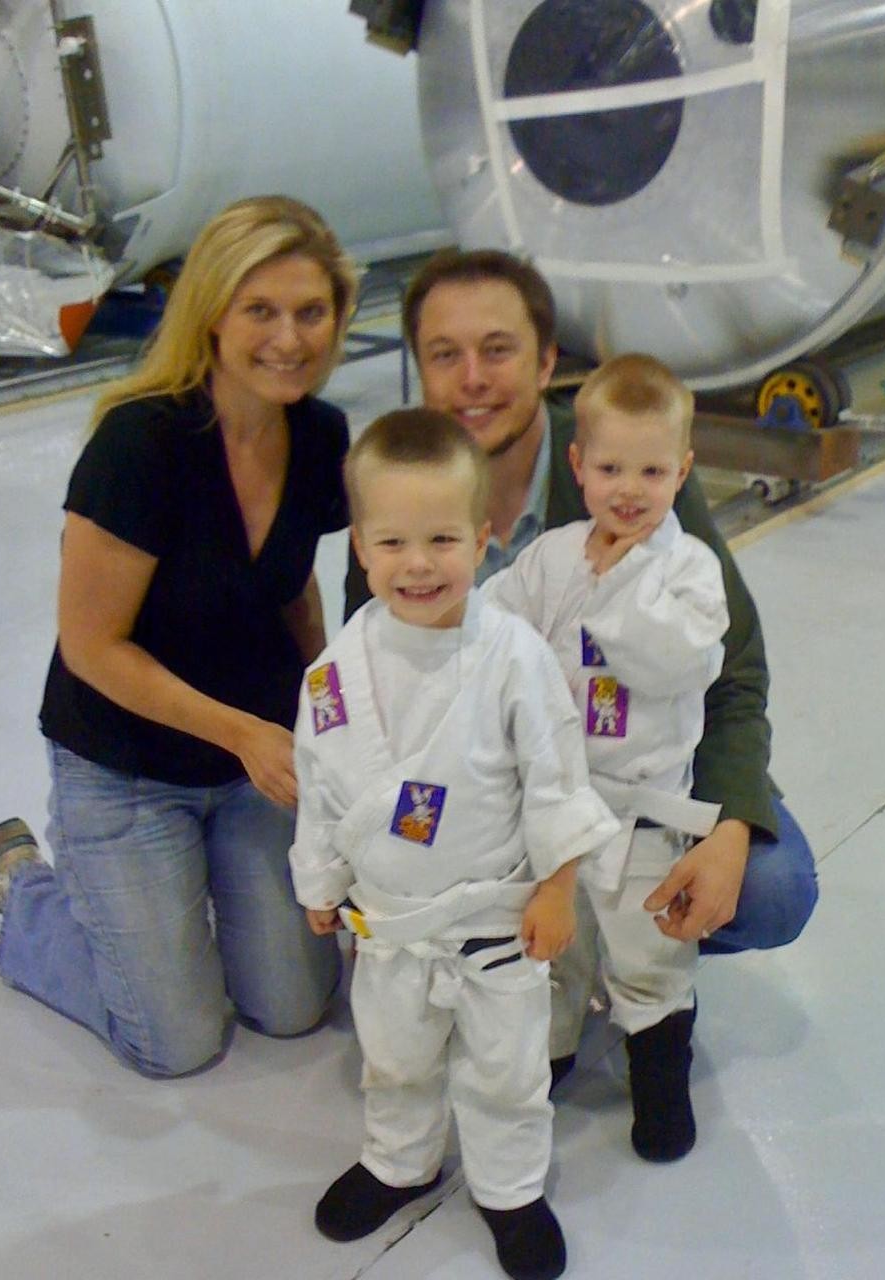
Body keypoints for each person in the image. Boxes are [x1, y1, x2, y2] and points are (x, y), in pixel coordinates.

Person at [343, 247, 818, 1075]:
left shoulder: (627, 461)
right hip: (498, 786)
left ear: (546, 361)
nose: (472, 378)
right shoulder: (403, 484)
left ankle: (633, 953)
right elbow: (384, 681)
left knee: (771, 888)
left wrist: (732, 826)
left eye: (498, 349)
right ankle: (547, 955)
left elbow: (734, 673)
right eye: (445, 354)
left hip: (636, 770)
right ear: (418, 369)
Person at [0, 195, 359, 1077]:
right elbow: (91, 647)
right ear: (212, 314)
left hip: (252, 763)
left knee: (294, 1008)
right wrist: (242, 732)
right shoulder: (140, 443)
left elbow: (293, 583)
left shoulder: (320, 434)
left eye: (311, 312)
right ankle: (26, 885)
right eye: (260, 310)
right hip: (128, 765)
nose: (289, 338)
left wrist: (325, 710)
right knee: (173, 1041)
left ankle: (173, 915)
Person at [291, 410, 619, 1280]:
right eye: (393, 542)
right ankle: (399, 1161)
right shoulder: (334, 672)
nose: (419, 564)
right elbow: (321, 784)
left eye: (442, 539)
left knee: (505, 1070)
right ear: (360, 546)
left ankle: (511, 1189)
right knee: (394, 1057)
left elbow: (556, 776)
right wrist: (320, 879)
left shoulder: (513, 656)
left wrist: (557, 887)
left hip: (495, 923)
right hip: (390, 921)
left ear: (483, 540)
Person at [484, 353, 729, 1162]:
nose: (630, 489)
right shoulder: (551, 557)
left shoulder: (689, 570)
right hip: (555, 803)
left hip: (640, 807)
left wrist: (621, 585)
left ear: (682, 472)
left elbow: (679, 664)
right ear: (579, 465)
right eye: (611, 468)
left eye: (652, 472)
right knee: (557, 946)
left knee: (649, 950)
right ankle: (551, 1051)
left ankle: (659, 1075)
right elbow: (494, 628)